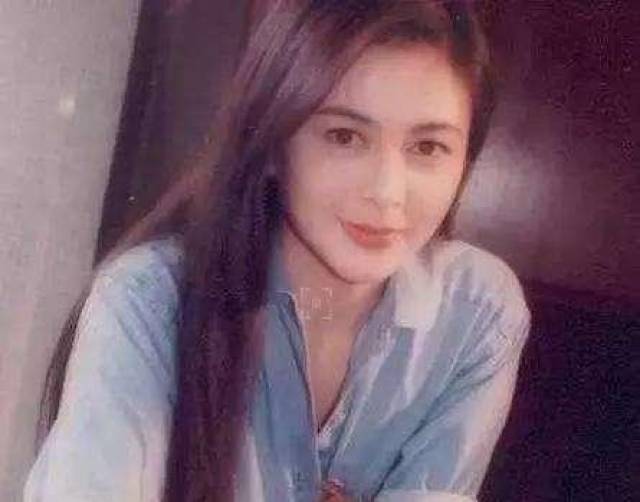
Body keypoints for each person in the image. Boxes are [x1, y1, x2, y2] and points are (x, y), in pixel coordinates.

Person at [23, 1, 531, 501]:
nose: (387, 192)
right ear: (271, 143)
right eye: (344, 136)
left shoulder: (478, 312)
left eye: (427, 147)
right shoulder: (150, 300)